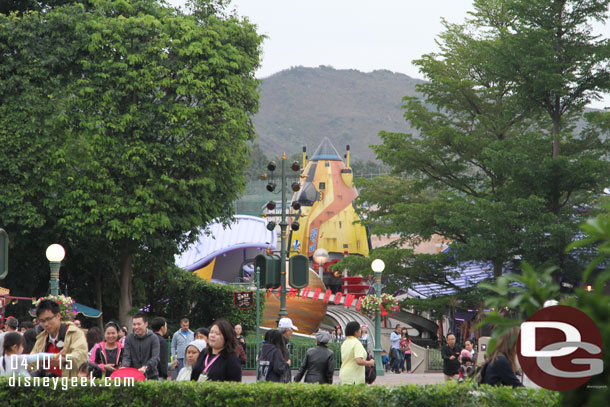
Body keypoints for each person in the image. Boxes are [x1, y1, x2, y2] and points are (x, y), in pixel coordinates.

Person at [31, 300, 88, 378]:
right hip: (45, 386)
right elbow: (32, 362)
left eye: (48, 319)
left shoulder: (75, 333)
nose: (46, 324)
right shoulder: (42, 338)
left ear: (58, 316)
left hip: (70, 386)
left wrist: (64, 359)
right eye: (42, 321)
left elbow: (81, 356)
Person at [122, 312, 160, 380]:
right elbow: (126, 356)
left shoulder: (153, 338)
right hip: (134, 376)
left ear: (146, 324)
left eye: (139, 324)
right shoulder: (129, 338)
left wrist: (146, 367)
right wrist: (124, 366)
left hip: (151, 376)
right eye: (134, 324)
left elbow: (155, 357)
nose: (136, 327)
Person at [277, 317, 298, 383]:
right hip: (281, 379)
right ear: (287, 330)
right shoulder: (280, 344)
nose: (292, 331)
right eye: (291, 329)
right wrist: (287, 364)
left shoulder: (280, 342)